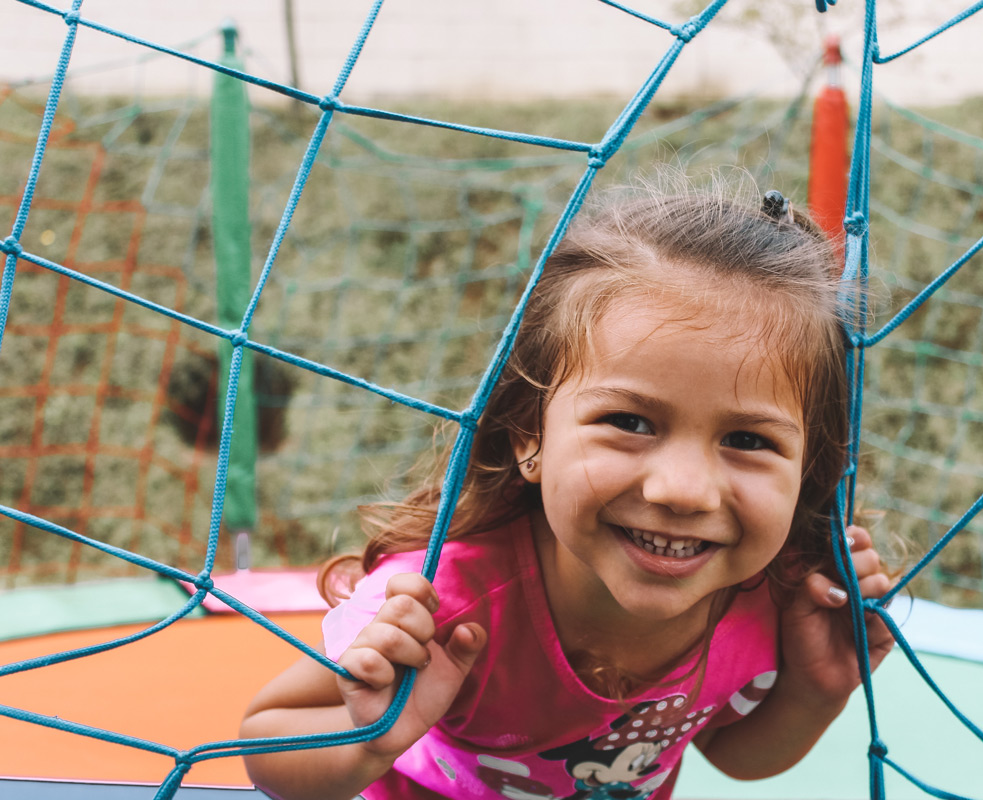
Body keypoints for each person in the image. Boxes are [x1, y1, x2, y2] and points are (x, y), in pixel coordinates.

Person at [240, 181, 895, 800]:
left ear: (809, 468)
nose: (684, 491)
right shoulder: (443, 602)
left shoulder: (773, 596)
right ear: (530, 435)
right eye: (629, 423)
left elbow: (730, 753)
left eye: (748, 440)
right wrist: (367, 741)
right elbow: (265, 743)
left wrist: (814, 690)